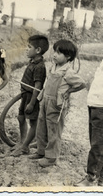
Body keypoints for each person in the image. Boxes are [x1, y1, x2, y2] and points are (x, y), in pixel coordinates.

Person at [29, 39, 86, 167]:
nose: (54, 55)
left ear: (68, 57)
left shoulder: (68, 72)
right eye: (54, 52)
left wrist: (69, 91)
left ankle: (51, 157)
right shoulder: (53, 67)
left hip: (57, 104)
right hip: (45, 100)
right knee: (42, 126)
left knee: (54, 129)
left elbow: (82, 83)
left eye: (58, 53)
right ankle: (41, 151)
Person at [74, 30, 103, 187]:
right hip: (95, 105)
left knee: (99, 144)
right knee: (101, 142)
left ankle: (91, 177)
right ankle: (102, 177)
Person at [11, 35, 49, 157]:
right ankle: (23, 143)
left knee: (33, 122)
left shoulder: (40, 67)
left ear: (37, 50)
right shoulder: (32, 61)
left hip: (32, 97)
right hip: (25, 95)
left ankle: (24, 146)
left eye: (29, 47)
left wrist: (32, 103)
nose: (26, 49)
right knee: (21, 118)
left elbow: (37, 86)